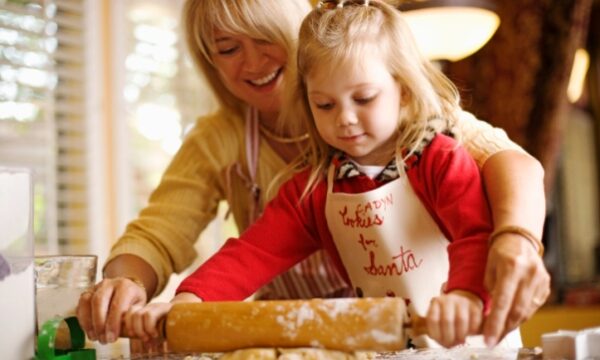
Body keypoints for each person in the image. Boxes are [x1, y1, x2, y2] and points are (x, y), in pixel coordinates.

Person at [76, 0, 549, 348]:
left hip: (468, 336)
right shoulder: (315, 184)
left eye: (363, 99)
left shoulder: (439, 154)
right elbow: (254, 251)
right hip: (367, 342)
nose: (345, 119)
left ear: (403, 94)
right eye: (325, 105)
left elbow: (476, 230)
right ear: (309, 102)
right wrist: (188, 304)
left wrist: (468, 295)